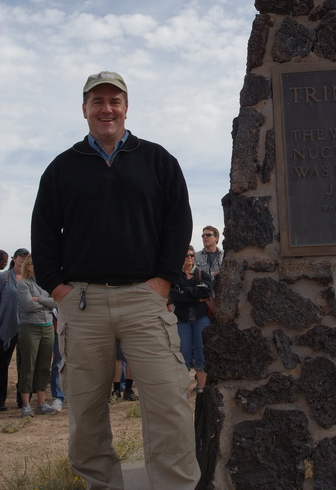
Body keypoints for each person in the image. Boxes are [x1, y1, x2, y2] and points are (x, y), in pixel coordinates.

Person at [31, 70, 200, 490]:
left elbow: (178, 224)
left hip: (146, 300)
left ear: (126, 107)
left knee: (169, 408)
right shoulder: (61, 168)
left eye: (114, 101)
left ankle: (175, 486)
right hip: (82, 304)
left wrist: (162, 282)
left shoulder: (159, 160)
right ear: (84, 109)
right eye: (97, 101)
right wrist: (59, 290)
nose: (106, 109)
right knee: (86, 414)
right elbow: (43, 234)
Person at [17, 254, 57, 417]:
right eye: (35, 264)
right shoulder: (23, 284)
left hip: (47, 327)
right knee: (28, 365)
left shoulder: (46, 284)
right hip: (30, 328)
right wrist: (46, 303)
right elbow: (27, 305)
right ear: (28, 267)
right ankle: (26, 405)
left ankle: (42, 403)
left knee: (44, 365)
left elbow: (55, 302)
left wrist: (39, 299)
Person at [170, 246, 213, 393]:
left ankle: (202, 388)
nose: (189, 258)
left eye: (191, 255)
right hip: (182, 320)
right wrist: (196, 296)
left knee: (202, 351)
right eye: (186, 255)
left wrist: (185, 291)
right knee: (183, 353)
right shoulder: (175, 277)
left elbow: (207, 291)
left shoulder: (202, 274)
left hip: (201, 318)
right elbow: (175, 297)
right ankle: (183, 389)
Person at [0, 248, 28, 411]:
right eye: (21, 256)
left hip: (27, 327)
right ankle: (1, 400)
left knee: (25, 365)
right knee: (3, 364)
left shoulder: (31, 280)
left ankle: (22, 401)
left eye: (26, 257)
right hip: (6, 326)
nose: (24, 260)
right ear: (14, 258)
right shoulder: (3, 278)